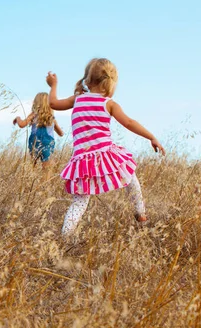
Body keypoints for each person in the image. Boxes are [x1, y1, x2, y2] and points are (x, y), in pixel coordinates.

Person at [46, 58, 165, 236]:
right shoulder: (108, 103)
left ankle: (65, 237)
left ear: (88, 79)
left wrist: (53, 85)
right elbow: (129, 122)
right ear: (110, 83)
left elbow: (53, 103)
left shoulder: (77, 99)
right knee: (131, 178)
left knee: (79, 202)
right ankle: (141, 215)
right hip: (105, 154)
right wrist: (151, 137)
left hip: (82, 160)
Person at [13, 92, 64, 173]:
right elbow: (61, 133)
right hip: (48, 144)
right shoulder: (52, 118)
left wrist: (18, 118)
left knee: (32, 167)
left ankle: (31, 181)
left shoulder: (33, 115)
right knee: (46, 169)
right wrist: (54, 127)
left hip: (34, 143)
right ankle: (45, 184)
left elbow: (22, 125)